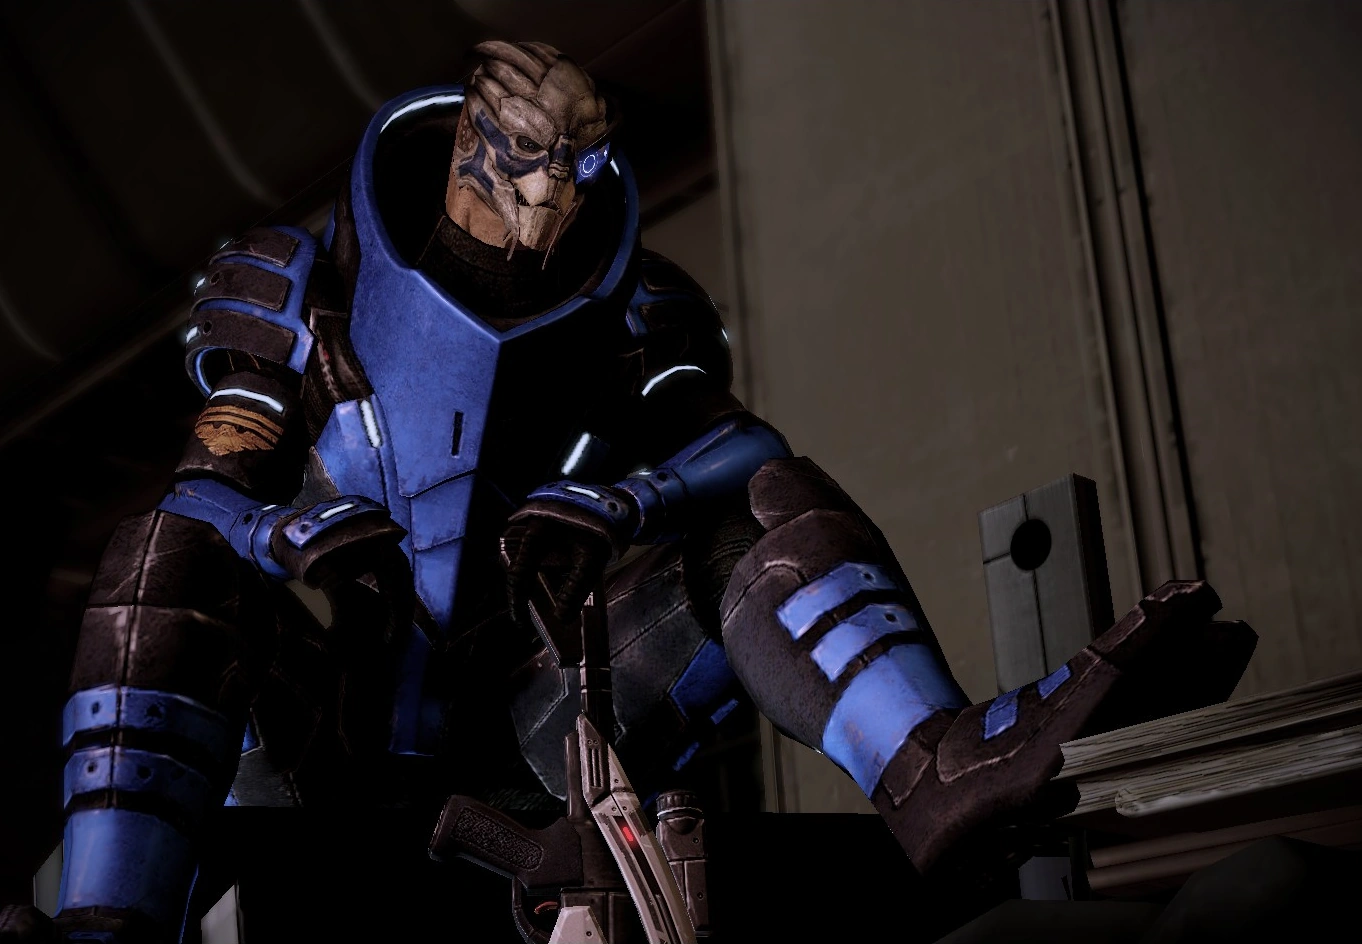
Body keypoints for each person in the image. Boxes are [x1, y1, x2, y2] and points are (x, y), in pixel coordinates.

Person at [0, 42, 1251, 943]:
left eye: (574, 165)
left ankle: (933, 766)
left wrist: (628, 500)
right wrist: (291, 526)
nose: (549, 194)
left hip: (537, 728)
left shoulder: (633, 304)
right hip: (318, 733)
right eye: (525, 160)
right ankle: (110, 917)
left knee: (762, 512)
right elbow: (202, 500)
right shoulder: (295, 286)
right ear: (470, 148)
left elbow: (745, 452)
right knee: (162, 561)